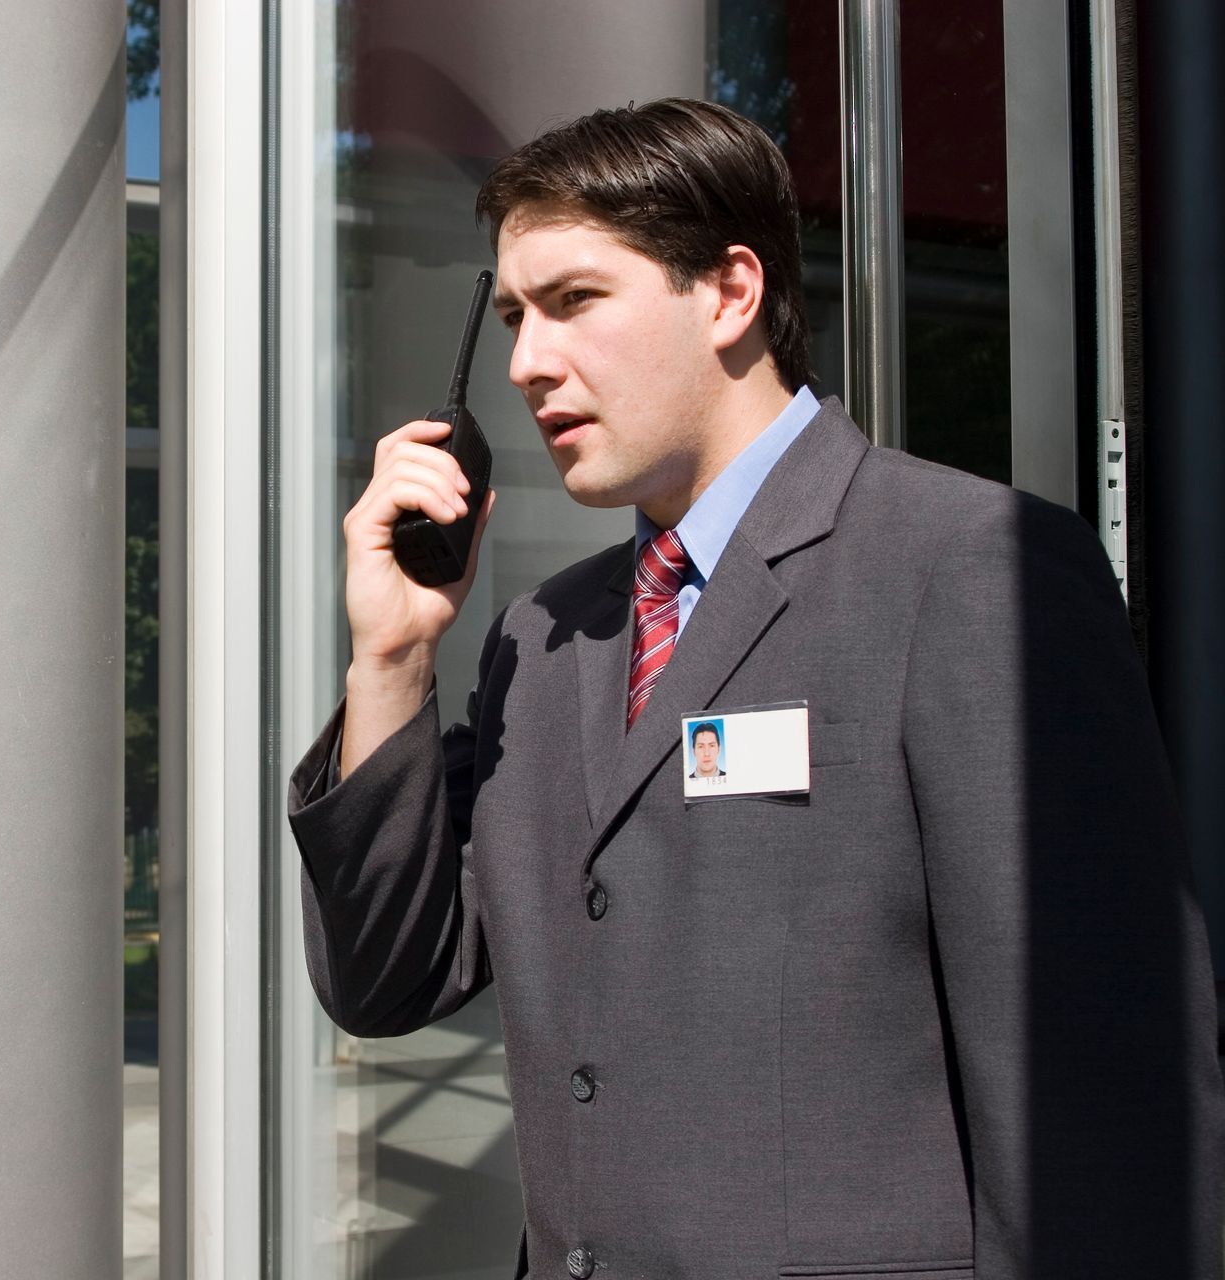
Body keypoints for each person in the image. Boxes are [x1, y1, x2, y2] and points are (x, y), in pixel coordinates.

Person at [285, 98, 1223, 1280]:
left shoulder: (967, 567)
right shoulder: (542, 636)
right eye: (516, 316)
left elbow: (1103, 1098)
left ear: (730, 292)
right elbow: (386, 976)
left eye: (575, 299)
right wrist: (392, 655)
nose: (528, 362)